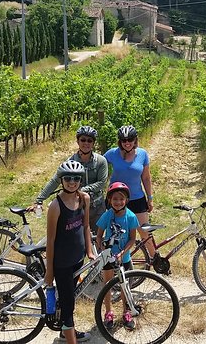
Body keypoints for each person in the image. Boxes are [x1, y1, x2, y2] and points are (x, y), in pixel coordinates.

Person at [44, 160, 94, 344]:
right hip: (62, 262)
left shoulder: (84, 199)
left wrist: (89, 251)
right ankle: (69, 337)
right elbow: (50, 240)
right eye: (68, 178)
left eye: (76, 178)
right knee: (68, 305)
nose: (72, 182)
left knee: (70, 297)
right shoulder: (55, 206)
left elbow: (86, 225)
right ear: (61, 180)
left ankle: (66, 333)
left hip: (77, 258)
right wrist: (50, 272)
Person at [33, 126, 108, 233]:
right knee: (78, 239)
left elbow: (101, 183)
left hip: (97, 207)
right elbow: (56, 180)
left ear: (93, 143)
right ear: (77, 141)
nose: (86, 143)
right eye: (83, 140)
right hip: (77, 207)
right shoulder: (70, 162)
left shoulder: (101, 161)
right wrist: (39, 199)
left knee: (97, 240)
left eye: (89, 140)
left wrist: (81, 190)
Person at [103, 125, 156, 256]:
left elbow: (146, 177)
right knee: (116, 233)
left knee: (144, 232)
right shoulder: (112, 153)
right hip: (115, 199)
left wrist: (150, 198)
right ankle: (115, 262)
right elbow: (97, 164)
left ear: (135, 140)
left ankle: (155, 258)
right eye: (123, 140)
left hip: (137, 198)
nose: (127, 143)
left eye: (130, 139)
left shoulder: (143, 154)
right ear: (120, 141)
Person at [95, 182, 139, 331]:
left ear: (126, 200)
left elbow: (132, 238)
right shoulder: (107, 215)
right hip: (108, 257)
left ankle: (126, 312)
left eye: (121, 199)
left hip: (123, 258)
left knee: (125, 286)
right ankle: (108, 312)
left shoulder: (131, 216)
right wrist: (101, 248)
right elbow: (99, 236)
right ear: (109, 200)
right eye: (115, 199)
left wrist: (122, 253)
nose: (118, 202)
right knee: (107, 285)